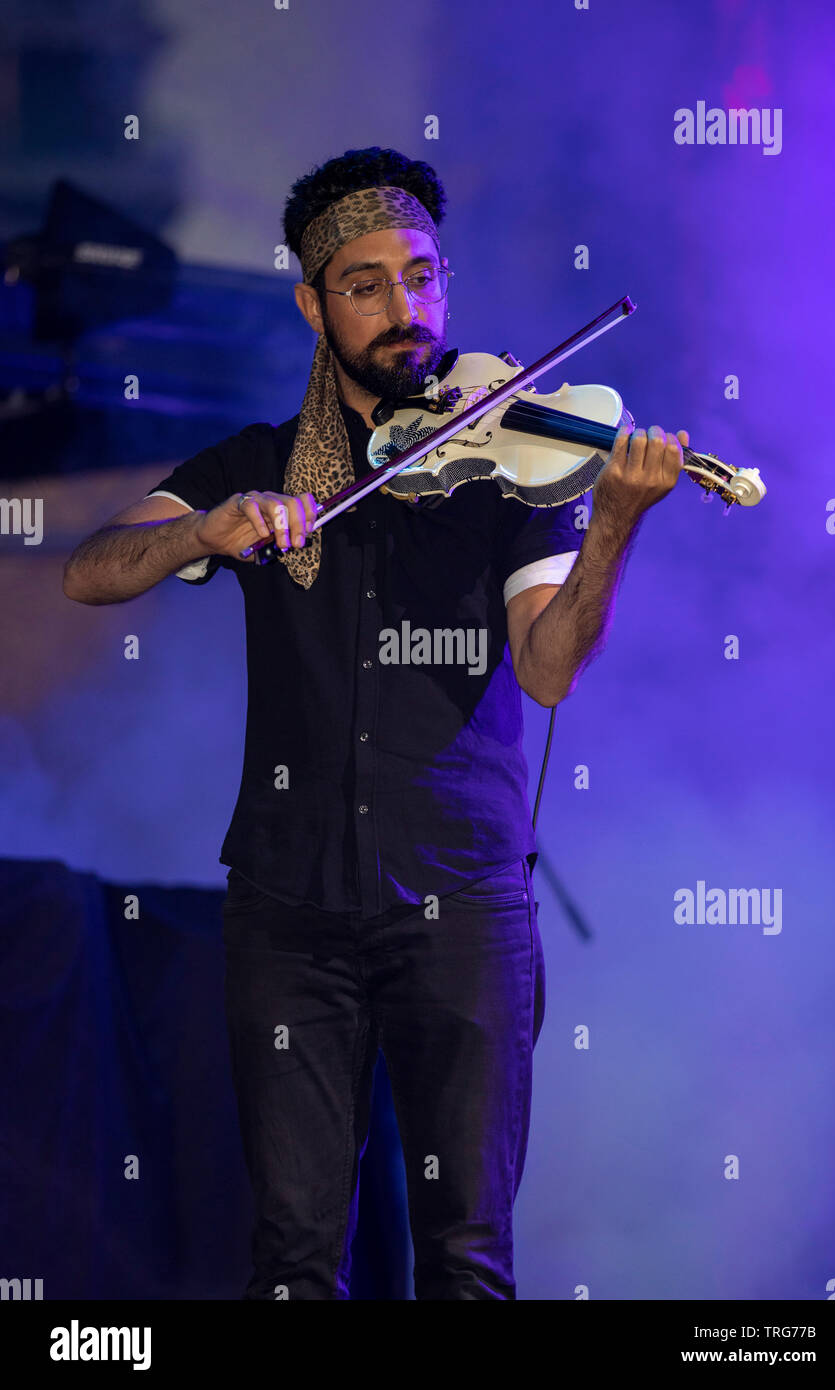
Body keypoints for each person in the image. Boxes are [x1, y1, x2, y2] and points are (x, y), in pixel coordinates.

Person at [63, 147, 688, 1300]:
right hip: (287, 910)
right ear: (312, 303)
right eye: (365, 283)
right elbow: (91, 572)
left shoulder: (510, 461)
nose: (405, 309)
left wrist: (610, 525)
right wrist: (201, 533)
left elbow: (547, 671)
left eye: (422, 275)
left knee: (464, 1257)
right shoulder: (253, 466)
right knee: (294, 1259)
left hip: (460, 902)